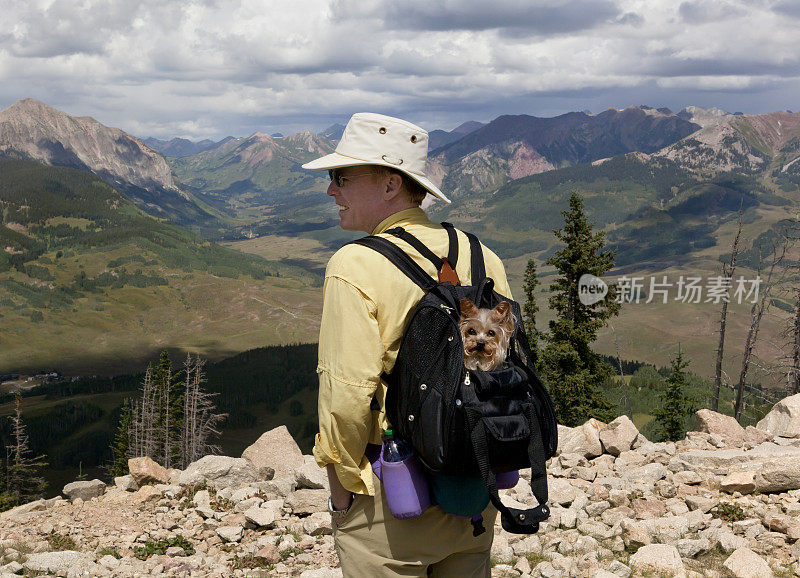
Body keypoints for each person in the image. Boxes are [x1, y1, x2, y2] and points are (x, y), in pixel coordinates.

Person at [302, 112, 514, 577]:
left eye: (341, 177)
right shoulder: (484, 256)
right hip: (473, 492)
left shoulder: (354, 265)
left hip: (393, 498)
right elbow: (505, 368)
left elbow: (347, 395)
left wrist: (342, 495)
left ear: (390, 185)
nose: (331, 190)